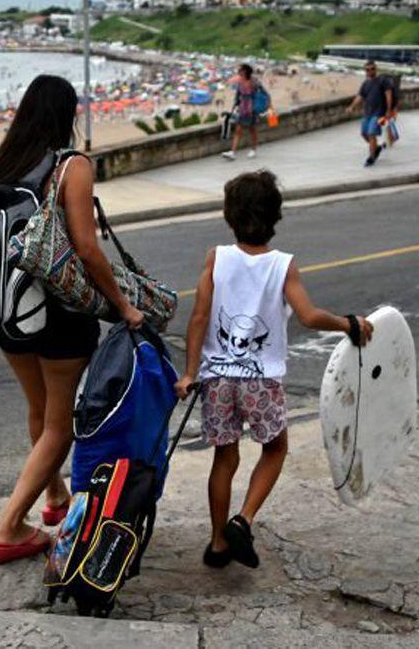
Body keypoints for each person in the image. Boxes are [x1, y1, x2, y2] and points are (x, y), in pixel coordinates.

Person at [0, 75, 144, 565]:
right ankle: (8, 528)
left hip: (7, 316)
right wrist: (124, 306)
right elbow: (87, 248)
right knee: (59, 425)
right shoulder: (71, 168)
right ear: (66, 115)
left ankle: (56, 498)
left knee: (40, 413)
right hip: (59, 315)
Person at [174, 170, 372, 572]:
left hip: (217, 378)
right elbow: (309, 315)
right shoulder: (283, 266)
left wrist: (190, 372)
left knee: (223, 458)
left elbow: (197, 318)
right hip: (260, 381)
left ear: (229, 217)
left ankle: (217, 545)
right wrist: (350, 323)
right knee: (275, 448)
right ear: (275, 217)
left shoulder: (217, 258)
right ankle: (242, 520)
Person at [350, 61, 395, 166]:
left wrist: (388, 110)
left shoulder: (383, 81)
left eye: (372, 68)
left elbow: (388, 94)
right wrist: (351, 106)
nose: (370, 71)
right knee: (364, 134)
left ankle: (371, 157)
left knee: (371, 133)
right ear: (365, 71)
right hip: (367, 113)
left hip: (379, 113)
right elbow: (360, 97)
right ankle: (376, 148)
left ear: (376, 69)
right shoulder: (365, 84)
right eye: (368, 69)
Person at [222, 64, 261, 160]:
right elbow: (238, 94)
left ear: (245, 71)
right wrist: (236, 103)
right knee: (238, 130)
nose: (238, 71)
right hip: (243, 108)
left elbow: (259, 94)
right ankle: (233, 152)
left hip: (252, 109)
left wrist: (256, 106)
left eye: (240, 70)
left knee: (252, 130)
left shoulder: (254, 82)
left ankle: (254, 149)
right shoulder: (240, 81)